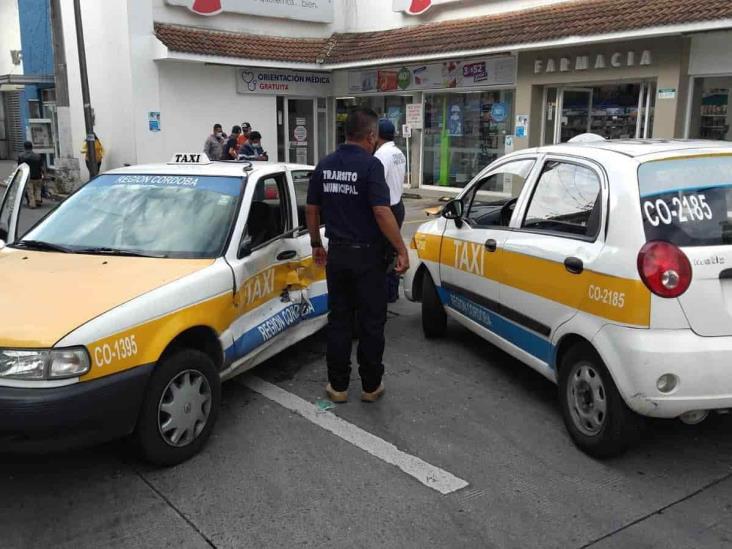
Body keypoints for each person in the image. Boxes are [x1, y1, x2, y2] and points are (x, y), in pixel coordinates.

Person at [306, 107, 409, 404]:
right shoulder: (370, 166)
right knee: (371, 322)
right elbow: (381, 210)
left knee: (339, 320)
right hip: (368, 259)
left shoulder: (324, 165)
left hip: (337, 255)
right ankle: (370, 386)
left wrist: (316, 243)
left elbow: (312, 209)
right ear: (371, 135)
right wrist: (401, 249)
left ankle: (337, 387)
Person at [374, 119, 407, 303]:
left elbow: (377, 183)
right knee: (393, 251)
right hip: (398, 206)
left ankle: (384, 293)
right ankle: (392, 291)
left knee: (382, 254)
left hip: (387, 209)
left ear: (377, 134)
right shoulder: (398, 153)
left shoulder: (381, 156)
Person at [17, 141, 45, 209]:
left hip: (28, 177)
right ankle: (38, 201)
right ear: (31, 147)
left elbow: (20, 167)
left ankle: (32, 204)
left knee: (30, 191)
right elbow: (42, 167)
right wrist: (44, 174)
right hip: (38, 176)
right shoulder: (38, 156)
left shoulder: (21, 156)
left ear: (24, 147)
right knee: (38, 189)